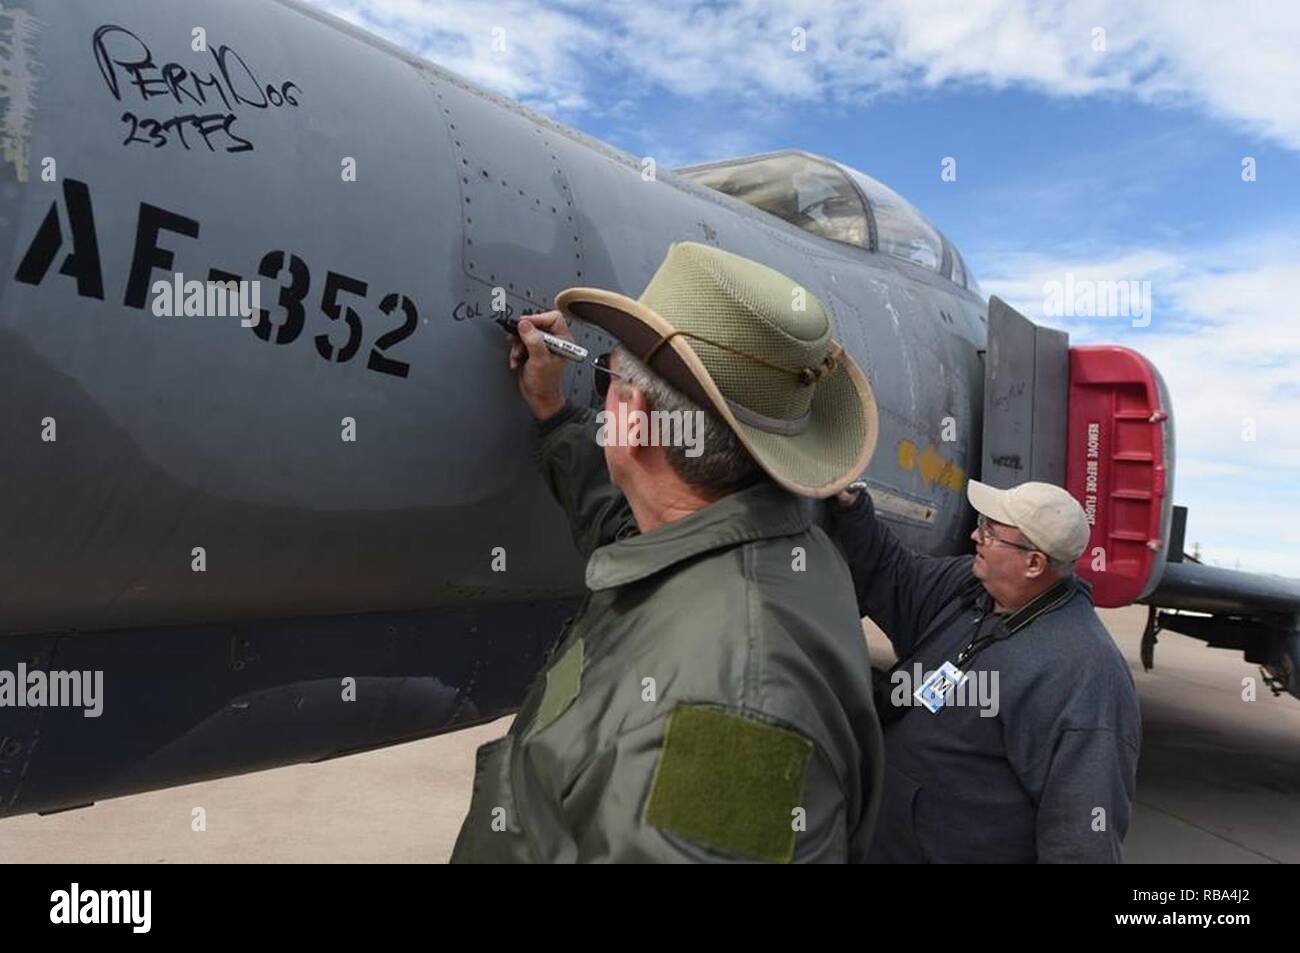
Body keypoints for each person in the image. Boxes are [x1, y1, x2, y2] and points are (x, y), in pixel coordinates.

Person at [451, 242, 884, 862]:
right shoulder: (770, 545)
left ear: (630, 414)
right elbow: (624, 524)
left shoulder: (734, 708)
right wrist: (552, 410)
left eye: (607, 374)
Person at [827, 478, 1141, 862]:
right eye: (982, 522)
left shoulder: (1084, 675)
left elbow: (1082, 840)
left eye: (991, 531)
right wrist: (853, 509)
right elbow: (895, 575)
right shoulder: (972, 588)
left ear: (1034, 563)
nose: (976, 534)